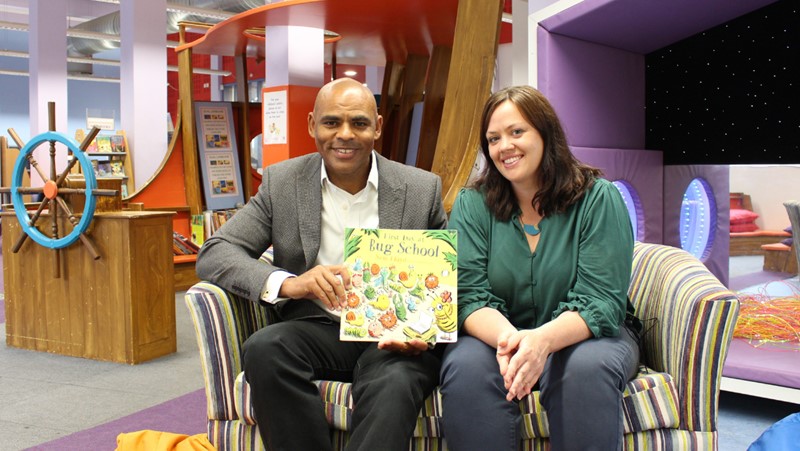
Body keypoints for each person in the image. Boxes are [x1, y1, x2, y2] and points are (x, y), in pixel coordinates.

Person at [195, 77, 448, 451]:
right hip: (317, 327)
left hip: (393, 338)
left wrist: (423, 330)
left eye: (359, 123)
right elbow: (216, 250)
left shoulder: (421, 188)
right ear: (312, 124)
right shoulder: (282, 182)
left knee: (396, 383)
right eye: (332, 122)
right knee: (264, 349)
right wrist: (289, 283)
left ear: (377, 128)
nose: (344, 134)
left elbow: (445, 277)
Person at [439, 85, 641, 451]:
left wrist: (542, 341)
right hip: (497, 336)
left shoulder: (600, 199)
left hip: (587, 335)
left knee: (584, 370)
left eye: (517, 132)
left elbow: (601, 301)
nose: (505, 147)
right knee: (466, 368)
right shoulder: (472, 204)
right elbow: (466, 294)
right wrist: (514, 343)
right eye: (494, 139)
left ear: (546, 134)